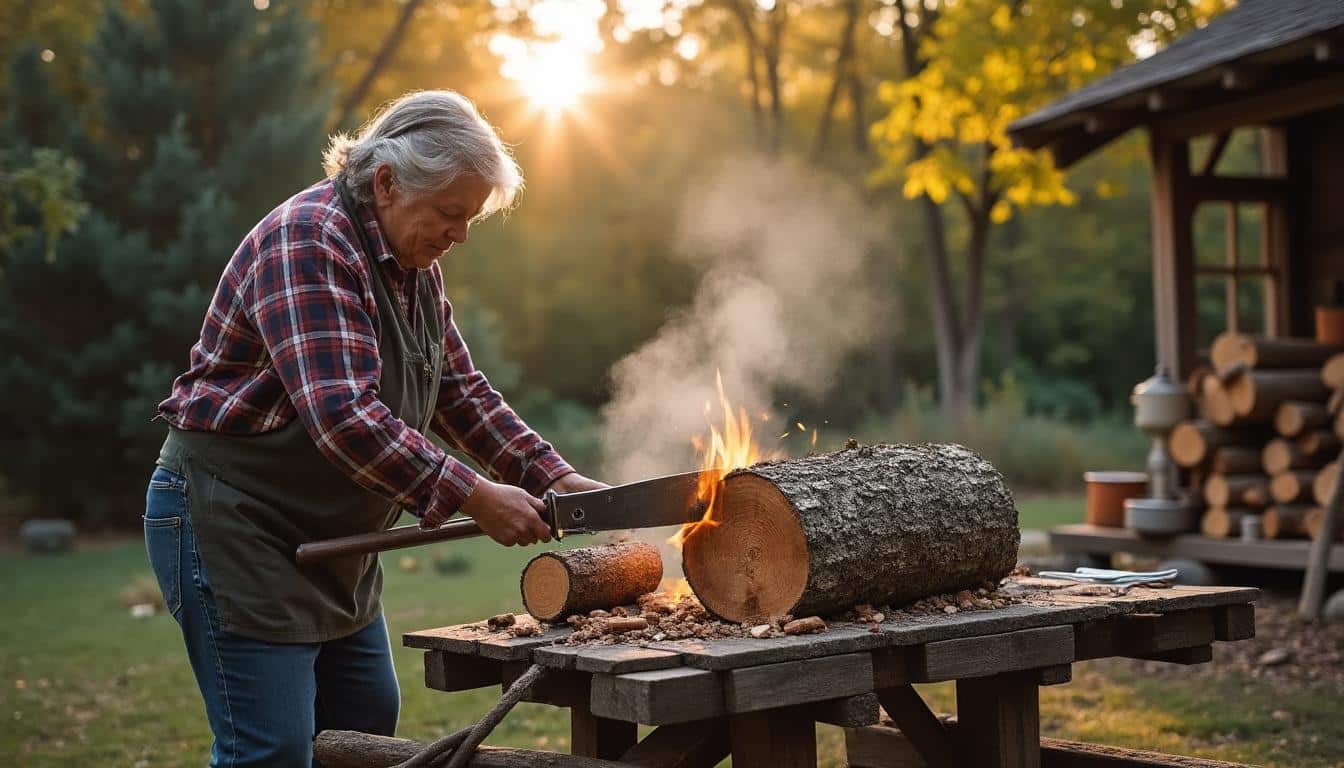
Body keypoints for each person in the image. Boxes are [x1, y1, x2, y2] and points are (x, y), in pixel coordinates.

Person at [144, 90, 603, 767]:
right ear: (386, 182)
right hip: (237, 527)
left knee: (364, 731)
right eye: (451, 212)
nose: (461, 235)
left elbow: (456, 390)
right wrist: (476, 496)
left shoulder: (411, 263)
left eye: (470, 217)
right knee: (268, 750)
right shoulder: (307, 241)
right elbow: (342, 417)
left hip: (336, 541)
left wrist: (551, 475)